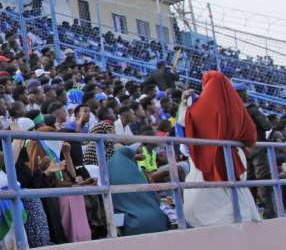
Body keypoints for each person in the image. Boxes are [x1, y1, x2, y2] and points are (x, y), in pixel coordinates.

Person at [181, 71, 262, 227]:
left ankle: (222, 224)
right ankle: (242, 217)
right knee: (235, 189)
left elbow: (184, 121)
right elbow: (250, 133)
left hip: (209, 155)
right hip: (236, 154)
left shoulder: (202, 106)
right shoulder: (238, 107)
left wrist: (184, 103)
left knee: (207, 193)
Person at [108, 146, 170, 235]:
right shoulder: (136, 173)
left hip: (132, 225)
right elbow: (156, 199)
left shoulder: (109, 171)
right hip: (158, 221)